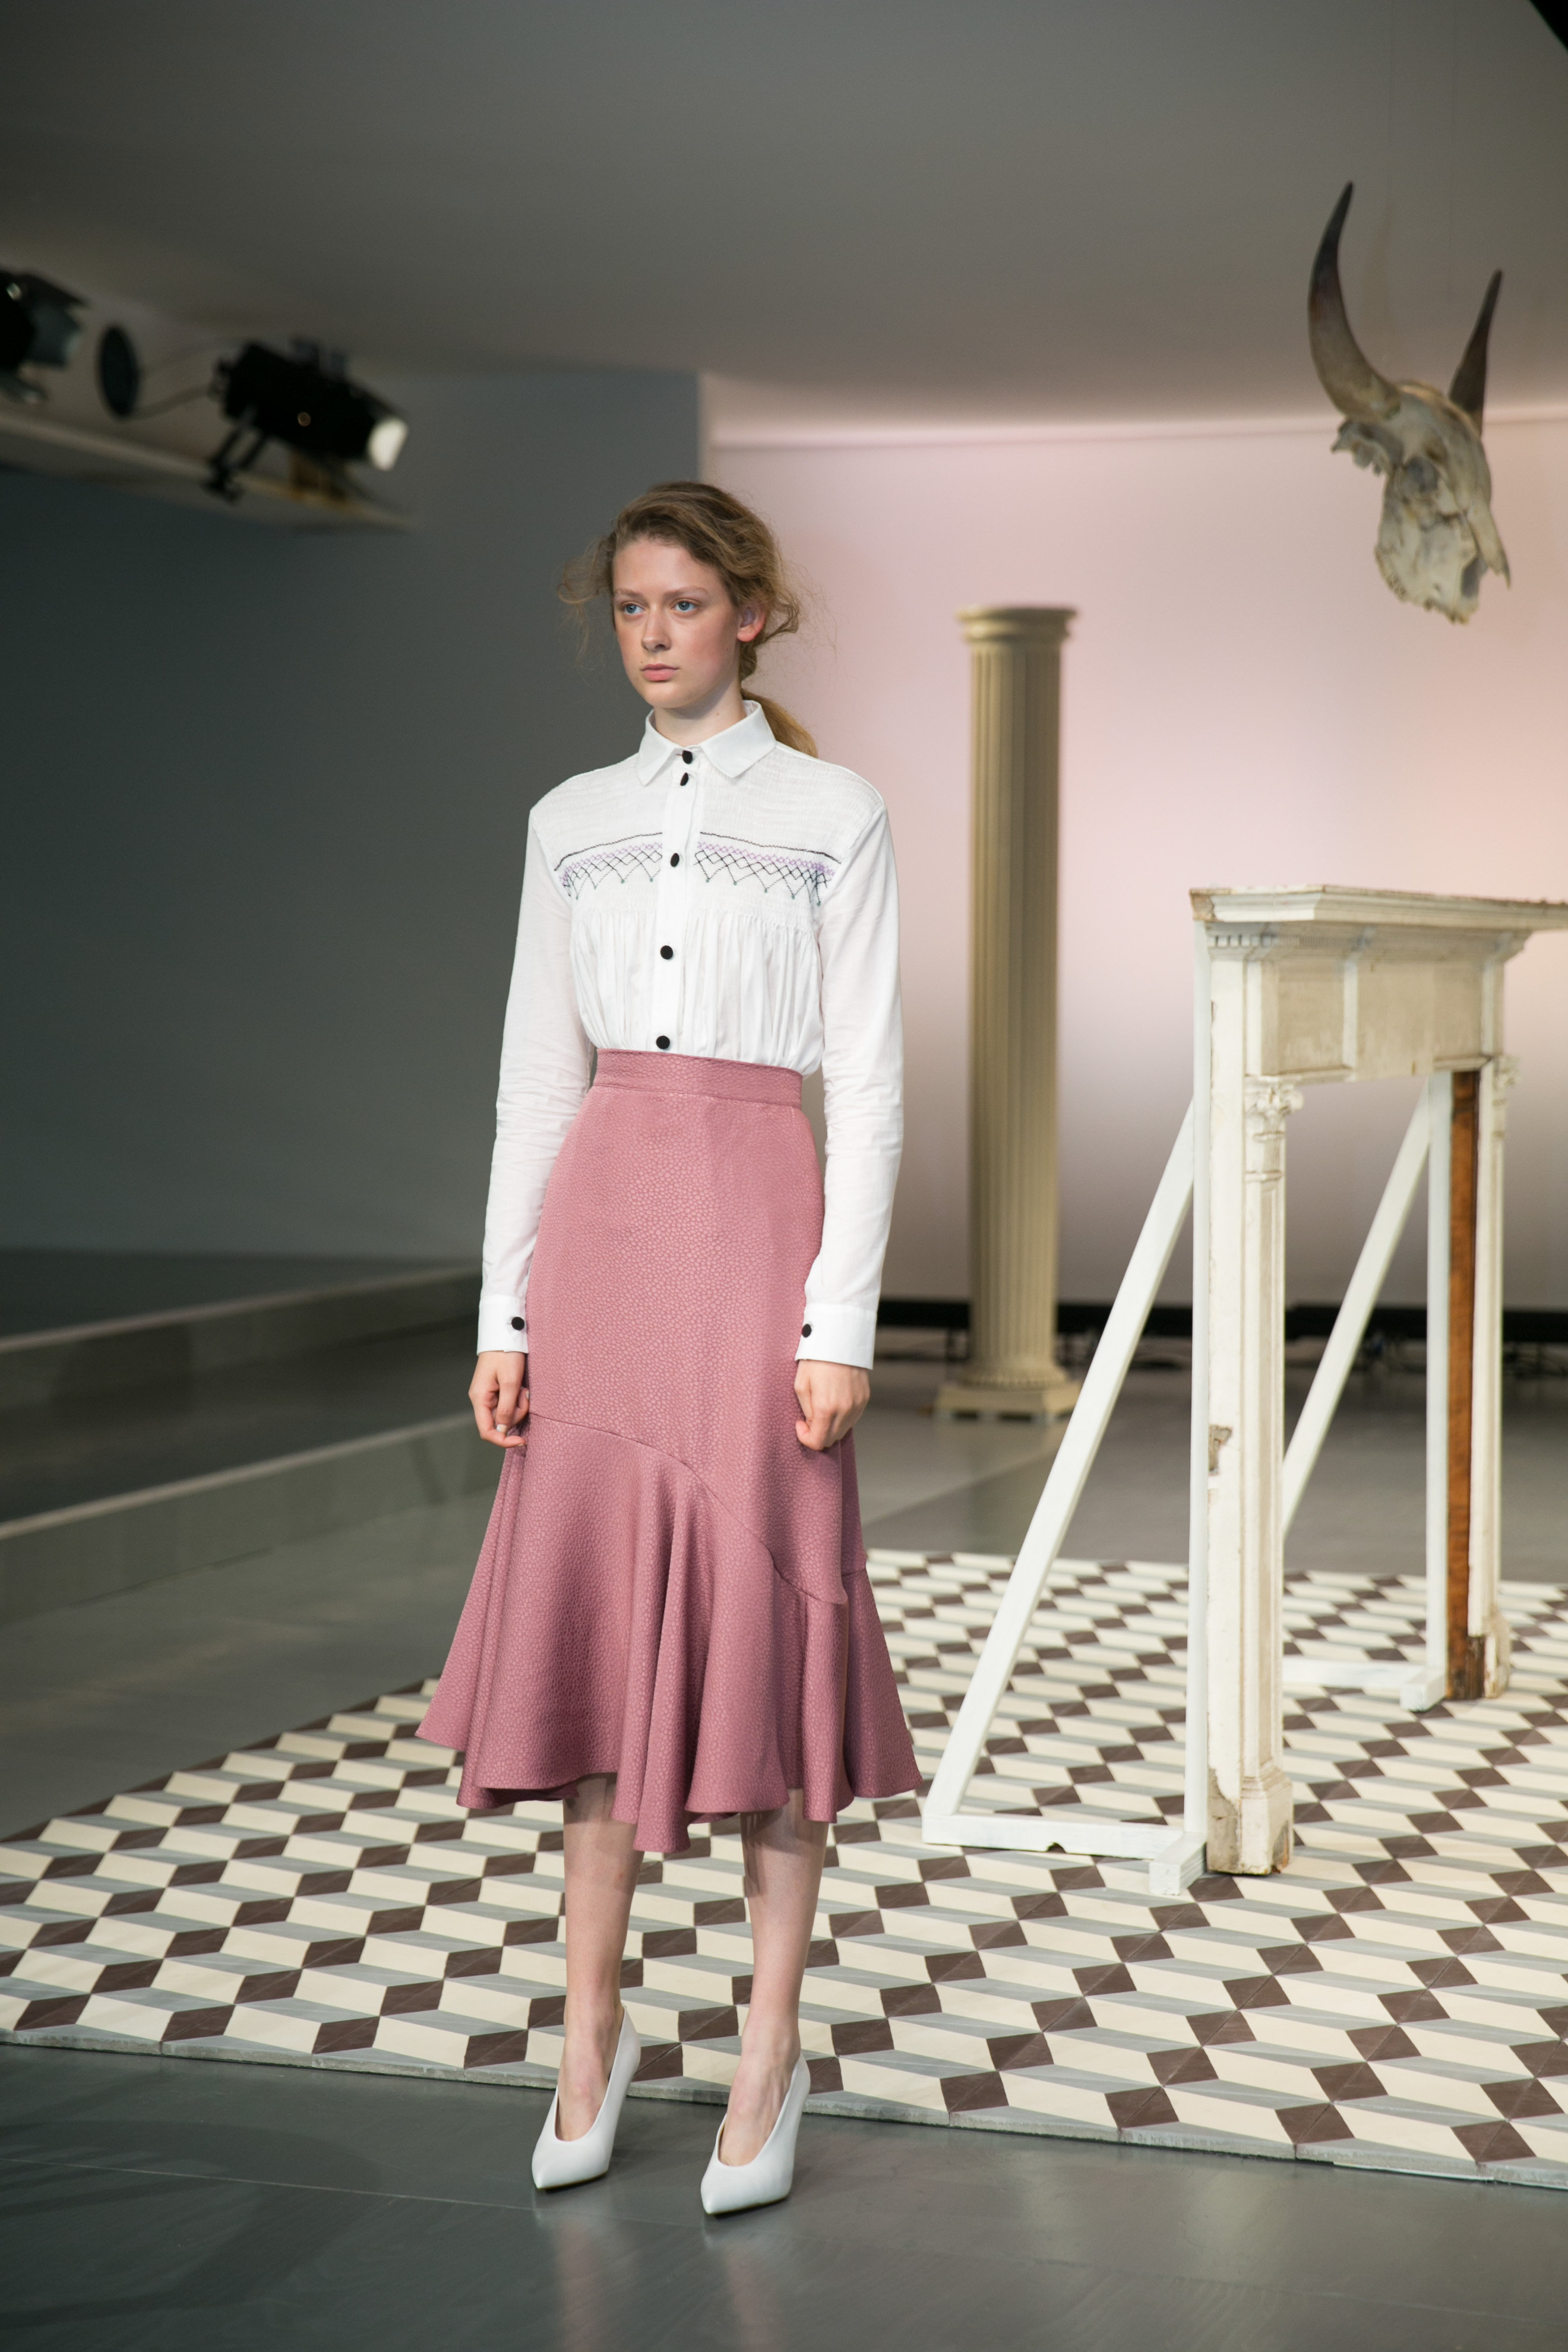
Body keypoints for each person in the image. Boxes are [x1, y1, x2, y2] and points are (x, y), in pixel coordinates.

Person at [419, 480, 918, 2215]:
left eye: (684, 604)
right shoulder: (569, 819)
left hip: (760, 1231)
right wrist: (507, 1308)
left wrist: (840, 1319)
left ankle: (769, 2050)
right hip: (604, 1240)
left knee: (769, 1630)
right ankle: (591, 2036)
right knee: (593, 1639)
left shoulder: (836, 812)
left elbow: (869, 1081)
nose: (652, 633)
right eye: (631, 606)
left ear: (750, 616)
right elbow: (532, 1082)